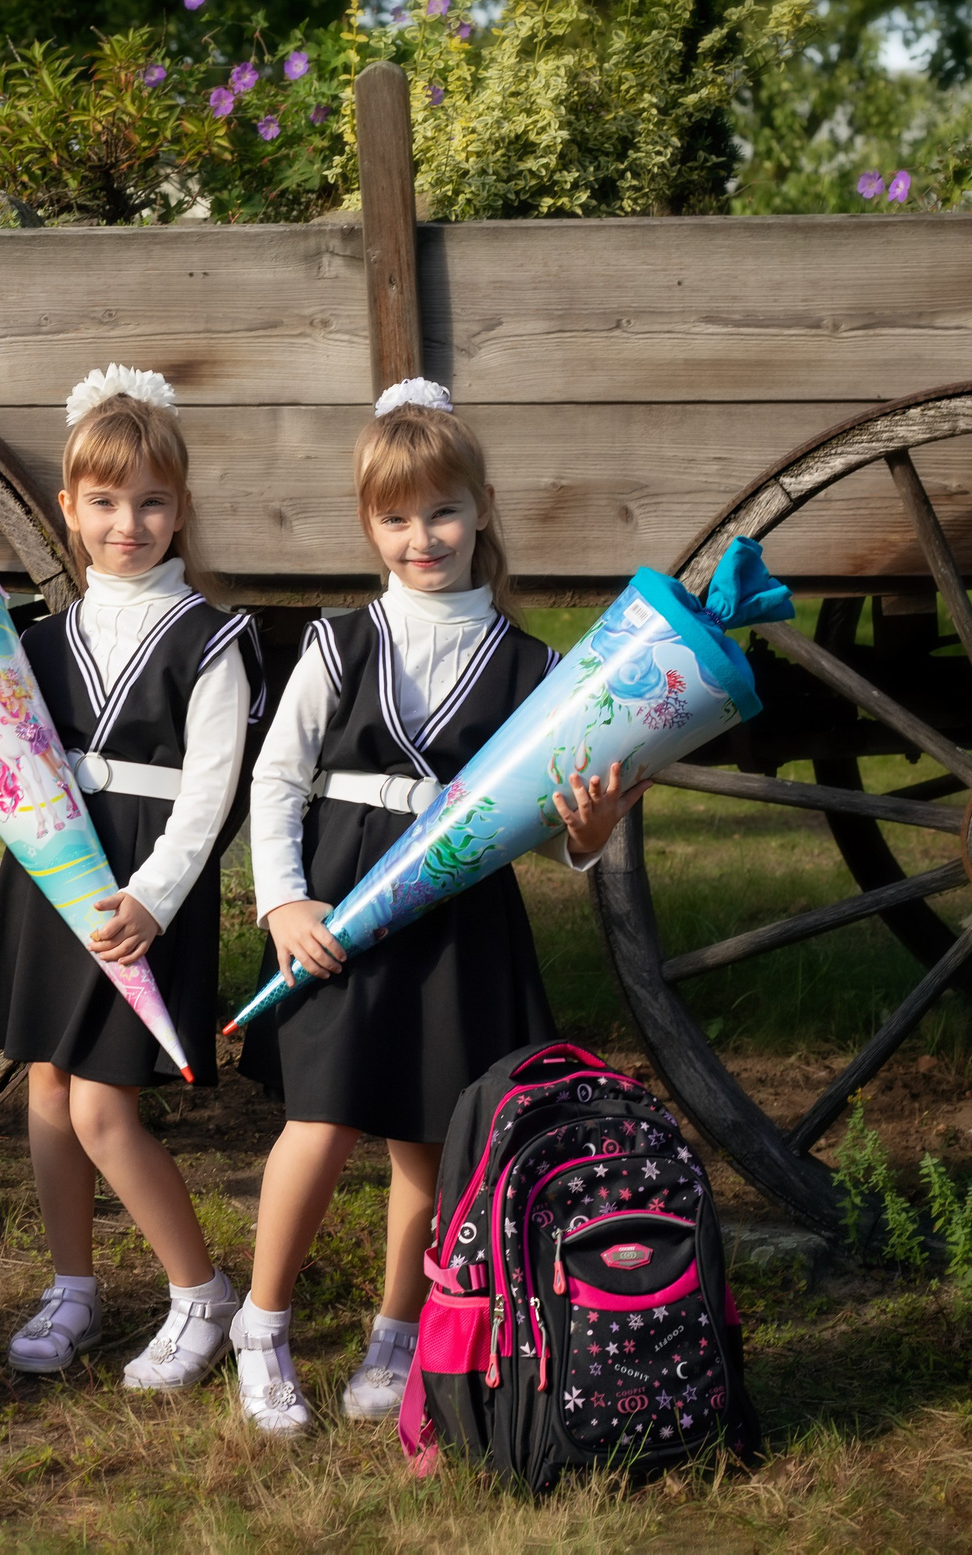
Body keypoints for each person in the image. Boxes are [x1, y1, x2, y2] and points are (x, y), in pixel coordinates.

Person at [229, 378, 645, 1435]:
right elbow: (275, 781)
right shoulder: (338, 644)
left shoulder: (540, 671)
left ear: (483, 508)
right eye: (397, 517)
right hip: (342, 903)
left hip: (460, 914)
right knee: (318, 1122)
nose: (424, 536)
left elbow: (558, 828)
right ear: (369, 525)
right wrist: (282, 903)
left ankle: (395, 1332)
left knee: (432, 1136)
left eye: (443, 511)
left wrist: (588, 835)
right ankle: (260, 1327)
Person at [0, 364, 261, 1388]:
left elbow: (210, 792)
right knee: (49, 1095)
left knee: (106, 1107)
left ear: (182, 507)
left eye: (151, 502)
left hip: (141, 893)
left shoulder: (213, 639)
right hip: (50, 881)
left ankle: (202, 1294)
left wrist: (153, 897)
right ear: (68, 509)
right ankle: (74, 1286)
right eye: (103, 503)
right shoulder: (32, 640)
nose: (128, 524)